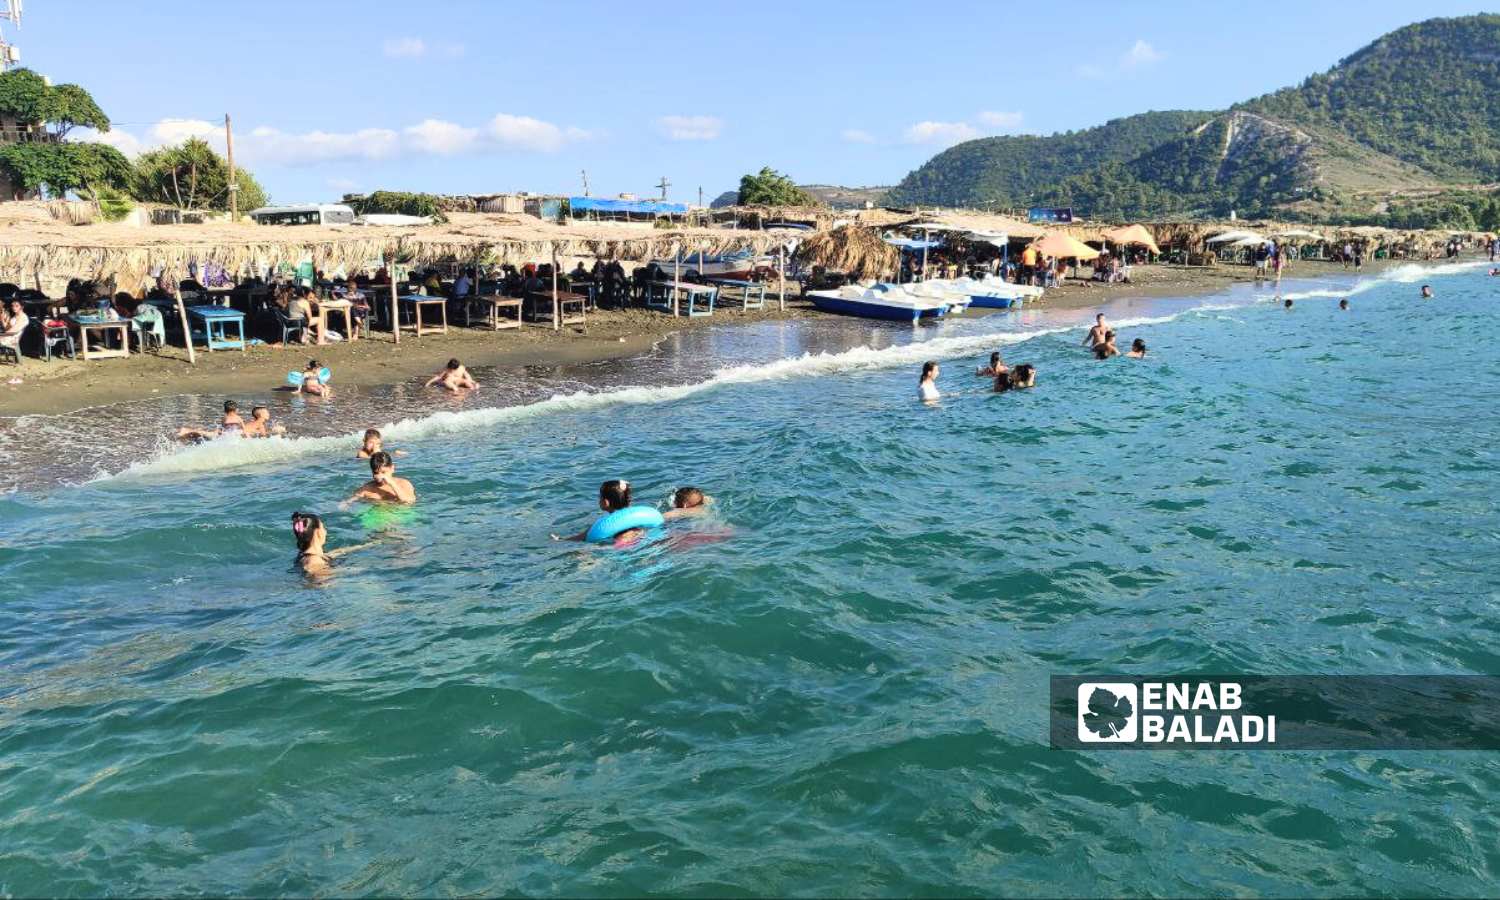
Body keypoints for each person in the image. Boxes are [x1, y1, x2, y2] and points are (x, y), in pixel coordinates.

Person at [290, 511, 376, 577]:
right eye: (323, 527)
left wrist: (369, 545)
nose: (325, 531)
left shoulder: (305, 555)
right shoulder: (314, 562)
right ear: (318, 532)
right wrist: (368, 567)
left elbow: (330, 555)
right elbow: (316, 573)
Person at [552, 478, 640, 542]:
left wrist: (560, 539)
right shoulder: (636, 516)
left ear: (606, 502)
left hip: (619, 544)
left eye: (600, 497)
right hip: (637, 537)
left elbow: (580, 538)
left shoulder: (603, 524)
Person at [346, 451, 416, 505]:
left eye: (383, 472)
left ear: (392, 468)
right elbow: (351, 500)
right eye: (376, 473)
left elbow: (409, 501)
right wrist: (346, 503)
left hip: (400, 515)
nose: (380, 476)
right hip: (376, 516)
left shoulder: (404, 484)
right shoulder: (367, 488)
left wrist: (392, 483)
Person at [176, 399, 245, 442]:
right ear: (236, 410)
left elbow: (222, 428)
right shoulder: (238, 418)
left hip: (223, 435)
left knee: (203, 433)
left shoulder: (225, 418)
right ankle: (185, 430)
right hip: (222, 436)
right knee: (203, 433)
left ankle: (186, 430)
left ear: (225, 410)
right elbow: (244, 430)